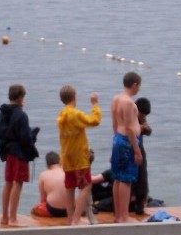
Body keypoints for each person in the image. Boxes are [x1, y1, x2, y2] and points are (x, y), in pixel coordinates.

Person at [57, 85, 102, 225]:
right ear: (74, 97)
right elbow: (94, 121)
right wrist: (95, 104)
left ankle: (70, 218)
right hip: (79, 158)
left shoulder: (61, 115)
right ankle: (76, 219)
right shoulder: (75, 114)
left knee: (70, 187)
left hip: (66, 156)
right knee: (86, 185)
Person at [0, 84, 39, 225]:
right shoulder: (21, 115)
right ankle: (13, 218)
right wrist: (32, 143)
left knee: (8, 182)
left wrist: (3, 151)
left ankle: (4, 217)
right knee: (18, 182)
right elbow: (25, 138)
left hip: (8, 151)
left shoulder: (3, 113)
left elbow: (1, 133)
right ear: (21, 97)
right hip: (20, 153)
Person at [110, 72, 143, 223]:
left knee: (117, 178)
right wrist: (137, 150)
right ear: (134, 85)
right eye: (139, 86)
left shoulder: (116, 99)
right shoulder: (128, 103)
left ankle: (118, 215)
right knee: (126, 179)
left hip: (118, 138)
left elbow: (115, 124)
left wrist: (115, 141)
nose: (139, 89)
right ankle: (124, 216)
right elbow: (129, 128)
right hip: (127, 142)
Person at [32, 150, 105, 218]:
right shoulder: (68, 172)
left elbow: (43, 200)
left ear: (47, 165)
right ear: (60, 162)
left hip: (54, 210)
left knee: (35, 209)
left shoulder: (43, 175)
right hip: (72, 208)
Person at [131, 97, 152, 215]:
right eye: (142, 114)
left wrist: (145, 128)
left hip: (139, 148)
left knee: (142, 177)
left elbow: (148, 131)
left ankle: (140, 204)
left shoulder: (142, 118)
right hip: (128, 149)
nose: (142, 116)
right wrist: (139, 128)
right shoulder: (129, 116)